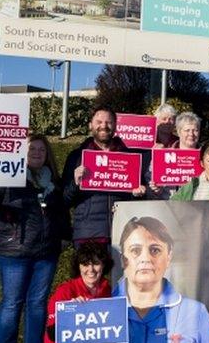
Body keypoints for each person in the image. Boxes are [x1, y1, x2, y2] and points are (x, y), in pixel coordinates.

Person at [0, 134, 67, 343]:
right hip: (14, 251)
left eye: (41, 150)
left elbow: (60, 214)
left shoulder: (53, 183)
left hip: (46, 253)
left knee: (37, 305)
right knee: (11, 304)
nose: (37, 153)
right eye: (32, 149)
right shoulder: (4, 177)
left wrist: (65, 236)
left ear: (47, 155)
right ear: (21, 153)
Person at [61, 106, 146, 248]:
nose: (104, 126)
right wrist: (75, 183)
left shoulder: (130, 158)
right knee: (90, 271)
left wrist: (139, 194)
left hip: (123, 231)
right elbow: (64, 199)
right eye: (99, 122)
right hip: (88, 233)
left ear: (115, 126)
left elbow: (139, 196)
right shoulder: (77, 156)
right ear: (90, 125)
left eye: (109, 122)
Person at [148, 112, 202, 200]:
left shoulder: (206, 157)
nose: (191, 134)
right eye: (187, 130)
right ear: (179, 132)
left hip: (199, 207)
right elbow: (149, 189)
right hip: (169, 207)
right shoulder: (162, 156)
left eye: (195, 130)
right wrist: (156, 189)